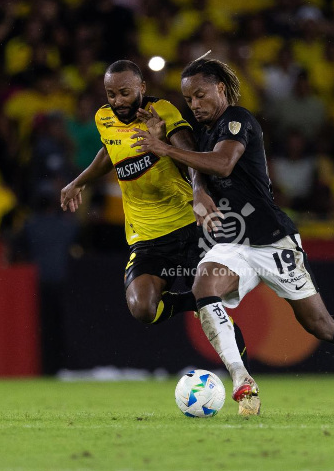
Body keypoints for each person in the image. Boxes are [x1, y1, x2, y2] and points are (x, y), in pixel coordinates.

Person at [130, 57, 334, 415]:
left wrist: (164, 147)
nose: (194, 104)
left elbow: (222, 163)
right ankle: (243, 382)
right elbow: (196, 166)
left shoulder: (238, 120)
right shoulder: (204, 133)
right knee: (202, 286)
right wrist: (193, 183)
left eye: (200, 95)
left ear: (220, 89)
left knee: (319, 325)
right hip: (231, 243)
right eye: (188, 99)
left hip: (273, 240)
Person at [60, 60, 256, 414]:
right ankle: (198, 304)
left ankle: (241, 377)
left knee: (221, 289)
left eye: (124, 92)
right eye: (111, 93)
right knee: (142, 309)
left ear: (141, 87)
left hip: (186, 225)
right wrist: (79, 180)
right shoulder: (103, 118)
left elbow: (191, 152)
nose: (118, 100)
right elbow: (110, 150)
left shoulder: (161, 111)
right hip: (145, 236)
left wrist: (198, 192)